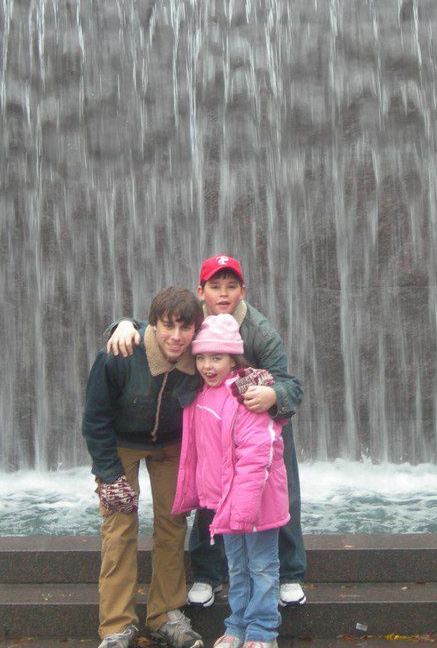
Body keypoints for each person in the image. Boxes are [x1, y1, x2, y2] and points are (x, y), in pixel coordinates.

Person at [106, 254, 306, 607]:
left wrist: (274, 395)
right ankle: (207, 573)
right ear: (201, 292)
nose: (223, 294)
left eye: (231, 286)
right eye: (215, 287)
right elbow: (159, 325)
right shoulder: (192, 321)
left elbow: (291, 384)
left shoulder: (260, 332)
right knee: (208, 490)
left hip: (259, 421)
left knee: (280, 489)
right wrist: (122, 324)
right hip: (211, 418)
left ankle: (289, 573)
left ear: (243, 291)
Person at [82, 287, 206, 648]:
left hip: (170, 443)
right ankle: (116, 626)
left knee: (173, 521)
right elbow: (95, 420)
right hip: (121, 442)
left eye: (185, 328)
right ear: (152, 325)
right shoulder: (119, 355)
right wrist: (109, 474)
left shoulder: (200, 354)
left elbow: (234, 359)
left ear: (196, 329)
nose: (176, 336)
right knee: (119, 524)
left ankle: (166, 614)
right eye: (168, 326)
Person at [172, 313, 289, 648]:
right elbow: (200, 453)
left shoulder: (246, 395)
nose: (208, 366)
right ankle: (236, 625)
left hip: (258, 503)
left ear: (233, 359)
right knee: (237, 567)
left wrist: (245, 507)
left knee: (262, 567)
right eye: (201, 358)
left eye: (217, 358)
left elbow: (257, 454)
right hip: (226, 503)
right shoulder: (200, 395)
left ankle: (263, 631)